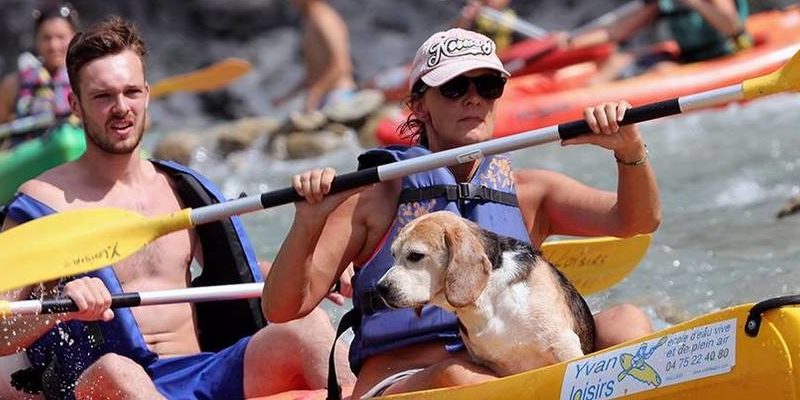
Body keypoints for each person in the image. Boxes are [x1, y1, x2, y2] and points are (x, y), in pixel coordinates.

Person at [263, 28, 660, 398]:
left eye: (488, 87)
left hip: (508, 366)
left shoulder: (529, 191)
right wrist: (308, 221)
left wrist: (629, 152)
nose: (474, 99)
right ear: (419, 105)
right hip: (406, 381)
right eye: (454, 88)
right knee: (455, 376)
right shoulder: (372, 198)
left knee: (626, 323)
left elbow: (637, 221)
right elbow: (282, 309)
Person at [0, 16, 352, 400]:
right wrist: (59, 310)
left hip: (201, 369)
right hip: (106, 380)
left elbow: (247, 277)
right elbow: (1, 334)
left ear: (147, 94)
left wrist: (317, 268)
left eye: (131, 92)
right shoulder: (41, 202)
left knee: (309, 328)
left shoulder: (180, 189)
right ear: (75, 104)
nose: (121, 108)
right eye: (103, 96)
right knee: (121, 372)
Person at [567, 0, 751, 84]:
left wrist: (693, 3)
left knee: (661, 69)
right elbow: (616, 31)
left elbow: (731, 26)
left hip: (726, 55)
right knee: (619, 60)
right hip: (689, 58)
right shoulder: (661, 3)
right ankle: (587, 98)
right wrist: (570, 42)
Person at [0, 3, 79, 148]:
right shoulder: (13, 84)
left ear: (74, 37)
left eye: (61, 37)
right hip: (32, 163)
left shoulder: (86, 79)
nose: (54, 45)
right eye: (47, 38)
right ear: (36, 40)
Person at [271, 0, 358, 113]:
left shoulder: (324, 18)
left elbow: (342, 64)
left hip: (338, 95)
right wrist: (288, 96)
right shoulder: (311, 20)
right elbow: (315, 72)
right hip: (325, 96)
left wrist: (315, 94)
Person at [453, 0, 519, 51]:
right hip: (477, 51)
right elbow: (456, 31)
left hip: (502, 54)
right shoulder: (479, 10)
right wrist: (468, 17)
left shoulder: (510, 15)